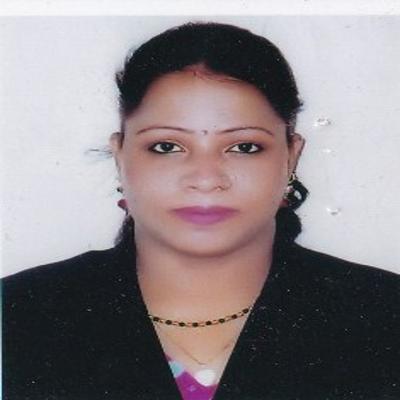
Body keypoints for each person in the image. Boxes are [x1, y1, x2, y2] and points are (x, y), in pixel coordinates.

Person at [3, 22, 399, 400]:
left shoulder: (384, 315)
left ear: (291, 156)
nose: (206, 179)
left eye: (244, 147)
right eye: (167, 147)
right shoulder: (20, 314)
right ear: (120, 156)